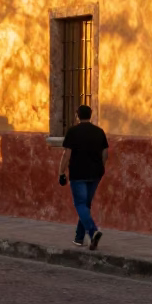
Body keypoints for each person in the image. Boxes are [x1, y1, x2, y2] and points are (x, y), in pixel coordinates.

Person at [58, 104, 108, 250]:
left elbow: (67, 154)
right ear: (91, 115)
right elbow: (105, 153)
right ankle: (79, 238)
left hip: (78, 173)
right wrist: (102, 167)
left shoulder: (73, 132)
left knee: (80, 204)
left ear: (77, 115)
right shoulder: (99, 132)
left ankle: (93, 231)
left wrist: (61, 172)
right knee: (85, 205)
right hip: (95, 173)